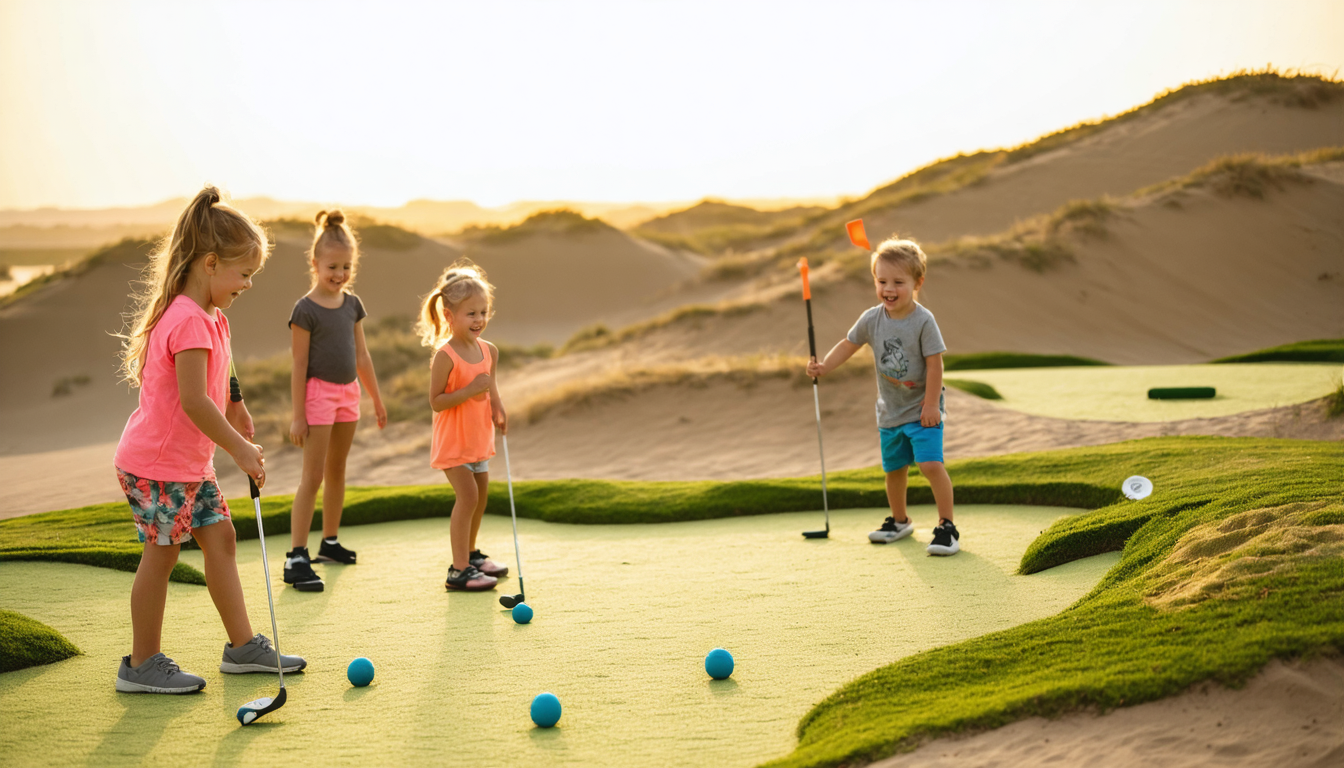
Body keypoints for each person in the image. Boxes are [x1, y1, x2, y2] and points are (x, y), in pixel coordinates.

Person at [113, 186, 305, 694]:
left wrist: (237, 401)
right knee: (163, 555)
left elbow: (225, 369)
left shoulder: (212, 316)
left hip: (188, 464)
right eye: (243, 274)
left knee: (220, 539)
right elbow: (196, 401)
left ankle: (241, 648)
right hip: (157, 465)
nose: (247, 284)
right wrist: (238, 449)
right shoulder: (187, 320)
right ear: (211, 263)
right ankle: (141, 663)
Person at [806, 237, 959, 555]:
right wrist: (824, 367)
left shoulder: (923, 321)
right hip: (890, 410)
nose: (889, 289)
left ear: (918, 282)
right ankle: (900, 521)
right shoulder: (871, 318)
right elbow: (848, 344)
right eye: (882, 281)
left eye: (898, 282)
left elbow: (935, 364)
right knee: (894, 470)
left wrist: (931, 403)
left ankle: (947, 526)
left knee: (930, 465)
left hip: (922, 410)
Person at [283, 210, 387, 591]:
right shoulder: (304, 310)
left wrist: (375, 398)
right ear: (314, 263)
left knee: (338, 469)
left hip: (349, 394)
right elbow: (298, 364)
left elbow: (362, 356)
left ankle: (329, 542)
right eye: (332, 266)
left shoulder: (352, 304)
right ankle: (296, 554)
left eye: (346, 266)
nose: (339, 274)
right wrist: (298, 416)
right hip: (317, 396)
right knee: (314, 475)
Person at [416, 261, 510, 590]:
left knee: (481, 497)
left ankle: (470, 554)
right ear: (449, 314)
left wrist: (497, 407)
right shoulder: (445, 356)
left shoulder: (489, 351)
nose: (479, 320)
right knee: (467, 498)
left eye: (484, 312)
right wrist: (469, 391)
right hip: (454, 442)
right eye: (471, 314)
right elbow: (436, 401)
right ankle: (458, 571)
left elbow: (490, 386)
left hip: (479, 439)